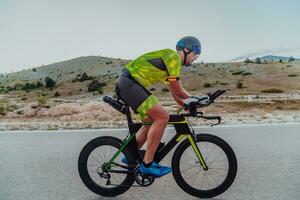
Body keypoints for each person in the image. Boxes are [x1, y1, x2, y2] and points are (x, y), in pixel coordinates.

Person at [115, 36, 201, 177]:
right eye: (195, 54)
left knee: (150, 124)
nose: (196, 58)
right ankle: (147, 164)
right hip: (129, 83)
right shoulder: (173, 57)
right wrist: (195, 100)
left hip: (130, 84)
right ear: (186, 49)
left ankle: (130, 155)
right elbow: (179, 90)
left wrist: (187, 105)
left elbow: (174, 92)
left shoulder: (171, 64)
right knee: (162, 117)